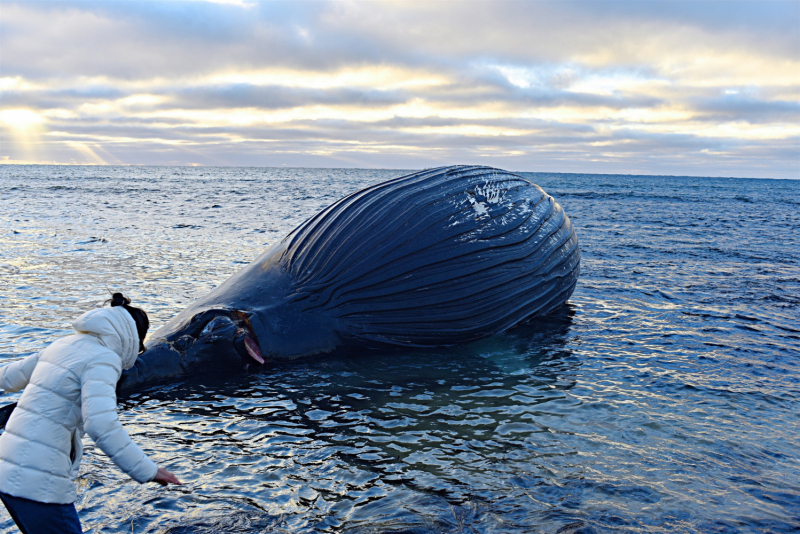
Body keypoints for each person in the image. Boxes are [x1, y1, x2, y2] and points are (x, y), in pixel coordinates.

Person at [0, 293, 181, 534]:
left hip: (7, 470)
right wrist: (148, 470)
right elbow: (101, 424)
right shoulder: (104, 360)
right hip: (38, 482)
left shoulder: (62, 345)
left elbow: (7, 378)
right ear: (132, 339)